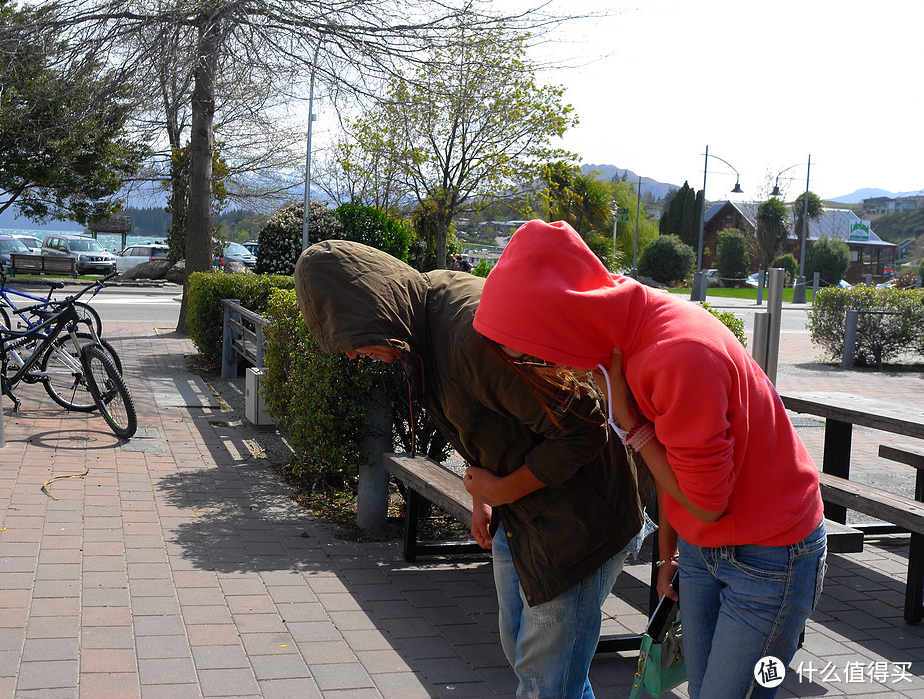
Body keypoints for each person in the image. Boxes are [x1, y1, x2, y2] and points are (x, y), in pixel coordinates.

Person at [473, 219, 827, 699]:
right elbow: (676, 468)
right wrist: (668, 555)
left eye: (534, 354)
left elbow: (706, 502)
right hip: (705, 549)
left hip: (770, 554)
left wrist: (631, 428)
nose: (545, 367)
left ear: (559, 323)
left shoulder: (678, 356)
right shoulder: (624, 330)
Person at [295, 240, 651, 698]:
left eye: (350, 336)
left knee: (547, 682)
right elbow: (477, 421)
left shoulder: (468, 332)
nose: (350, 355)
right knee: (533, 662)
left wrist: (501, 489)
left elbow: (584, 426)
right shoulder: (415, 324)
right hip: (520, 512)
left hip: (582, 522)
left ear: (375, 303)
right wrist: (484, 500)